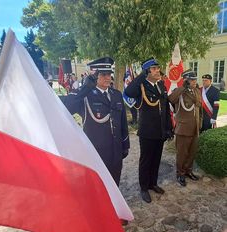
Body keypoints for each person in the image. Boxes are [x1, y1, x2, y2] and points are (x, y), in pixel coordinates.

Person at [62, 57, 130, 186]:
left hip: (115, 149)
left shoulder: (116, 94)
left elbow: (122, 122)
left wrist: (125, 144)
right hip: (97, 152)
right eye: (103, 74)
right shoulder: (85, 95)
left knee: (115, 183)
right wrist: (84, 89)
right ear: (93, 76)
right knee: (98, 185)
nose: (107, 77)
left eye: (109, 74)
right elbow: (67, 108)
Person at [124, 57, 173, 203]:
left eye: (158, 68)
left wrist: (169, 128)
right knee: (146, 160)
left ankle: (153, 183)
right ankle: (144, 187)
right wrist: (141, 76)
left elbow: (165, 109)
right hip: (147, 131)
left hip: (160, 131)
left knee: (156, 159)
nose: (158, 71)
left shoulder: (161, 85)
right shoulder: (141, 86)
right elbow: (128, 92)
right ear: (147, 71)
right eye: (154, 69)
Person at [168, 70, 202, 187]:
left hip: (195, 128)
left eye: (194, 79)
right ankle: (180, 173)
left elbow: (199, 109)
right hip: (183, 128)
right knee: (182, 153)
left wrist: (200, 124)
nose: (194, 81)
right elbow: (171, 99)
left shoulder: (197, 91)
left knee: (192, 152)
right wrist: (183, 87)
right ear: (186, 80)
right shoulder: (179, 92)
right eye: (192, 80)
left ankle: (188, 171)